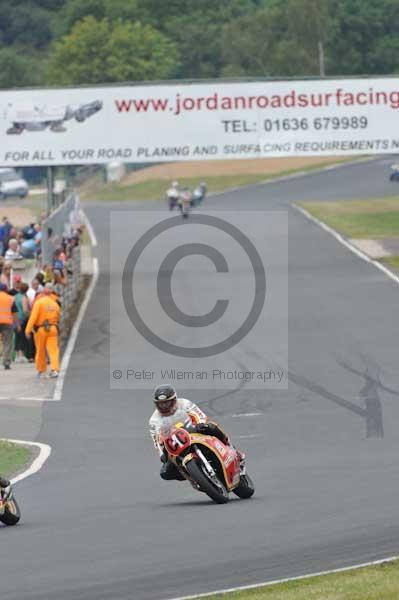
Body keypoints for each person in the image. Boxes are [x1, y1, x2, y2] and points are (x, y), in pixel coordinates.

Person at [149, 384, 245, 481]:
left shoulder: (184, 403)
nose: (164, 406)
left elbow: (199, 414)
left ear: (174, 400)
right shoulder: (154, 420)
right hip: (176, 443)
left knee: (211, 427)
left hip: (192, 430)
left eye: (166, 403)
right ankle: (194, 477)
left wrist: (200, 424)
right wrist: (162, 454)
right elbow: (156, 440)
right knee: (165, 472)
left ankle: (233, 449)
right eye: (161, 404)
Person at [25, 286, 61, 378]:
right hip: (53, 328)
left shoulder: (39, 303)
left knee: (40, 350)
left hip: (41, 330)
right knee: (53, 350)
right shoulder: (55, 304)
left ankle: (41, 370)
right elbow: (58, 317)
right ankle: (55, 369)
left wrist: (28, 330)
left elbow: (33, 317)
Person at [0, 282, 20, 370]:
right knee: (7, 342)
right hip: (7, 323)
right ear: (5, 290)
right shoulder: (10, 298)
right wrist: (18, 325)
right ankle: (6, 363)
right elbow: (14, 313)